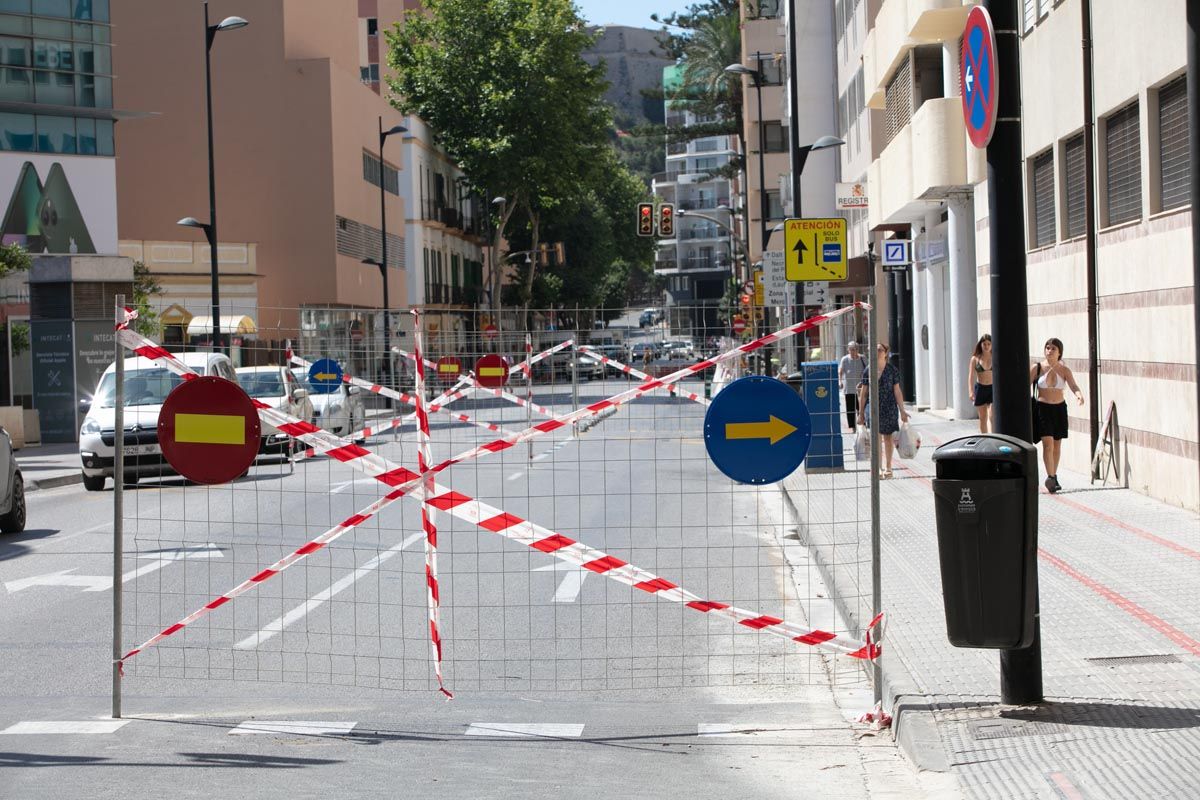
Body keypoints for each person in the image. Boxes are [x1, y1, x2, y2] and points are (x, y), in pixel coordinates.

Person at [1029, 337, 1084, 493]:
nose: (1050, 351)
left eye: (1053, 348)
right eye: (1047, 347)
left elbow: (1073, 385)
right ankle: (1051, 476)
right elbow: (1024, 384)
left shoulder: (1064, 370)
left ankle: (1054, 475)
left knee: (1057, 445)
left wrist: (1079, 395)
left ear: (1059, 352)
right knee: (1048, 444)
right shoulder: (1037, 368)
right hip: (1042, 408)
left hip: (1059, 409)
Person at [857, 342, 909, 479]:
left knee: (887, 438)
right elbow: (863, 394)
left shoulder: (892, 370)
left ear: (886, 353)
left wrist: (902, 410)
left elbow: (897, 391)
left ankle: (888, 467)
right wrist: (861, 413)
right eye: (875, 350)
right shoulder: (868, 370)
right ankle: (877, 468)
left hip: (889, 407)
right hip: (872, 408)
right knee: (875, 438)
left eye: (880, 350)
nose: (877, 352)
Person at [967, 334, 993, 433]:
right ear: (980, 344)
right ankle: (985, 439)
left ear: (991, 345)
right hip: (980, 388)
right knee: (983, 418)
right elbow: (971, 376)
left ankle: (994, 438)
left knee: (992, 416)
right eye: (984, 344)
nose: (986, 346)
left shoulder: (994, 357)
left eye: (988, 344)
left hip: (992, 388)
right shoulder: (975, 359)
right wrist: (970, 391)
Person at [838, 341, 867, 431]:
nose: (852, 351)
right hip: (849, 388)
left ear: (857, 350)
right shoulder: (845, 359)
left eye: (854, 349)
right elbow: (841, 371)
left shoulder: (863, 358)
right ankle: (853, 427)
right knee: (850, 410)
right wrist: (840, 381)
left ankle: (862, 425)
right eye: (850, 350)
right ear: (848, 350)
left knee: (861, 408)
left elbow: (867, 370)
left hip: (861, 389)